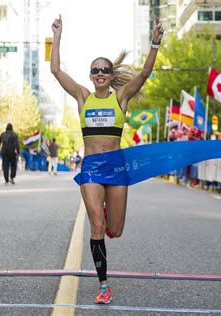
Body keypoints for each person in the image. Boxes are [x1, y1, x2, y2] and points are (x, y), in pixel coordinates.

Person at [51, 14, 163, 304]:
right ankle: (103, 285)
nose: (100, 73)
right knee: (97, 225)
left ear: (112, 76)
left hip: (116, 169)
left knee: (115, 229)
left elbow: (145, 74)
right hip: (91, 169)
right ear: (90, 75)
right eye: (95, 70)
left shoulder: (121, 97)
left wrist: (155, 44)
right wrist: (58, 35)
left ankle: (105, 213)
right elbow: (55, 70)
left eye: (105, 70)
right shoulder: (82, 96)